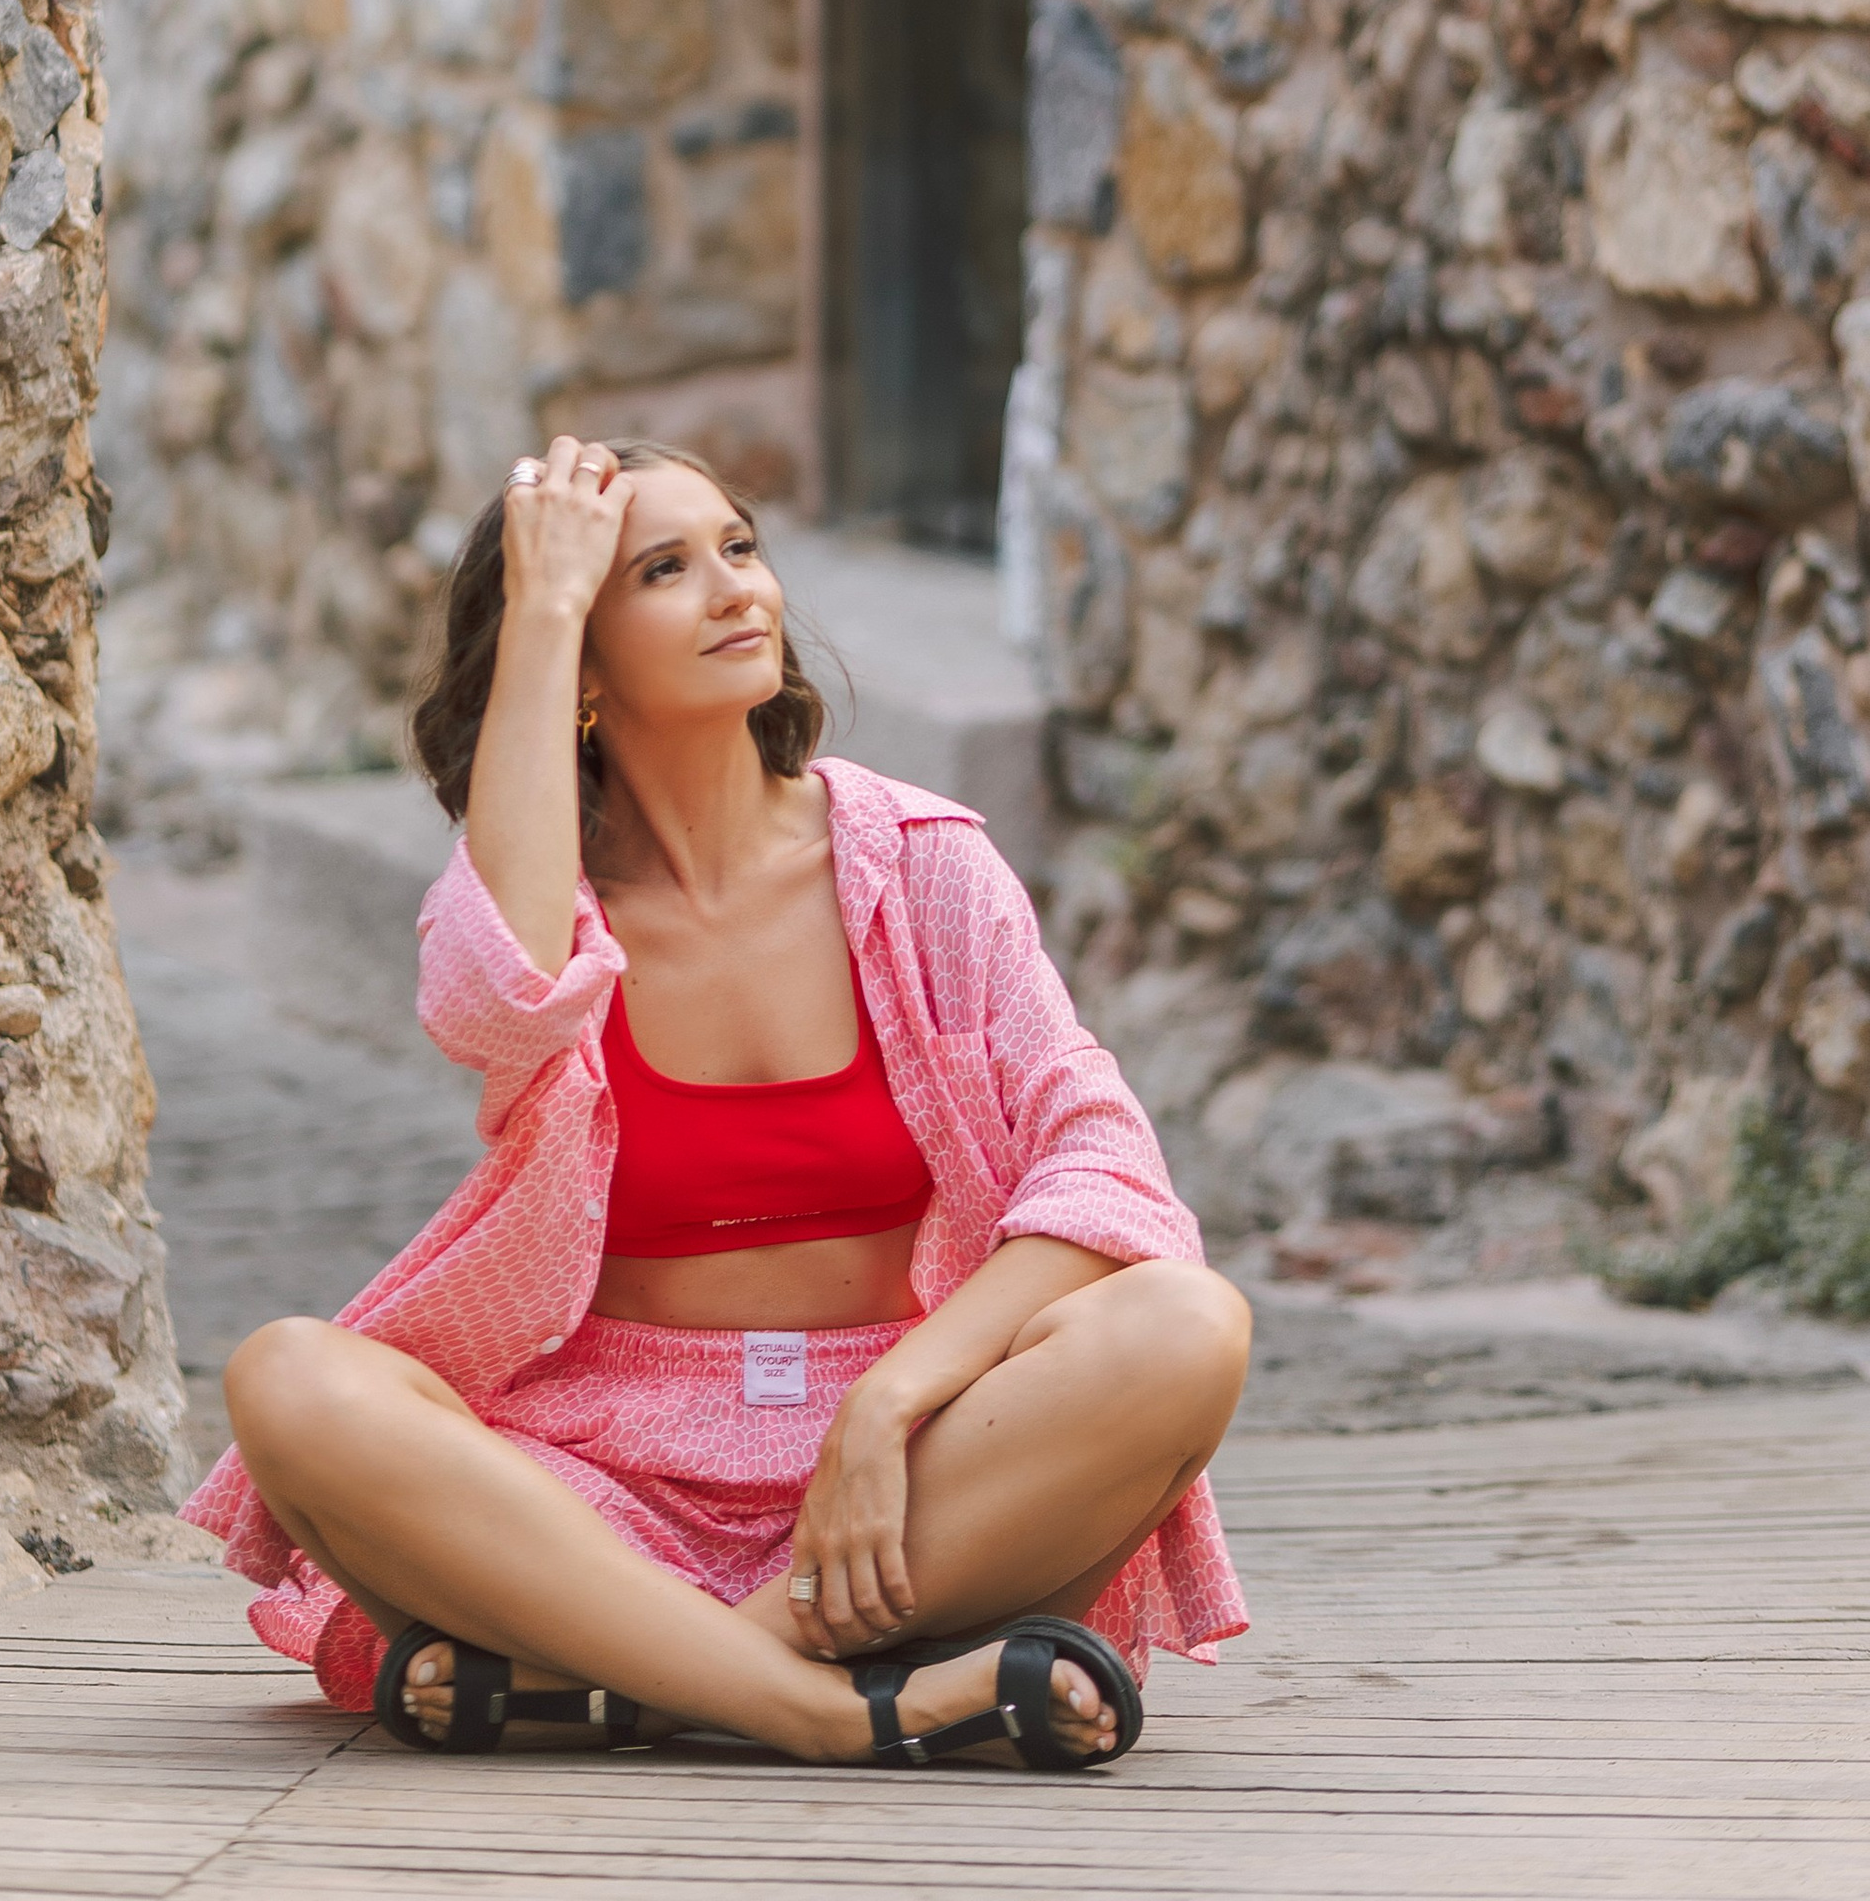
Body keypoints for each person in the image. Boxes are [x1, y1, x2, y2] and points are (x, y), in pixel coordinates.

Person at [185, 437, 1250, 1772]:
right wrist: (545, 607)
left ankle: (620, 1683)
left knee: (1185, 1325)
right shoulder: (554, 912)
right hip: (597, 1485)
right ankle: (831, 1705)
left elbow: (1106, 1175)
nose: (736, 590)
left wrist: (892, 1403)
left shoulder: (924, 868)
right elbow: (496, 1002)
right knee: (288, 1377)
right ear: (573, 663)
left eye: (741, 548)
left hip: (913, 1481)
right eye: (664, 571)